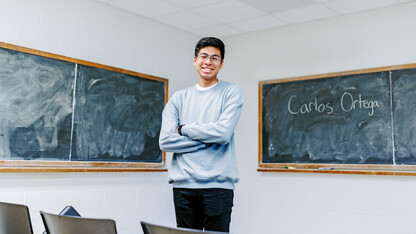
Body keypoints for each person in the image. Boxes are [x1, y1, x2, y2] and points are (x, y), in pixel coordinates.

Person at [159, 37, 244, 232]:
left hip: (218, 187)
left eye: (215, 58)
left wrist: (184, 129)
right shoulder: (179, 98)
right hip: (183, 186)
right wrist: (205, 142)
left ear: (221, 64)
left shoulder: (231, 92)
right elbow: (165, 141)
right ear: (195, 60)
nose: (208, 62)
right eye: (204, 56)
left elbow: (223, 133)